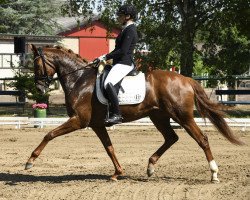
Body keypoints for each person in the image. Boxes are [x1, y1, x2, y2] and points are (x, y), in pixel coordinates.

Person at [98, 4, 138, 125]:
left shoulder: (130, 30)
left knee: (108, 83)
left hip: (124, 63)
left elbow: (123, 51)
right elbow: (118, 50)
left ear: (128, 16)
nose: (118, 18)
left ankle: (116, 114)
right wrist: (105, 57)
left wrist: (106, 56)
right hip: (119, 62)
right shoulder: (125, 29)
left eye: (120, 16)